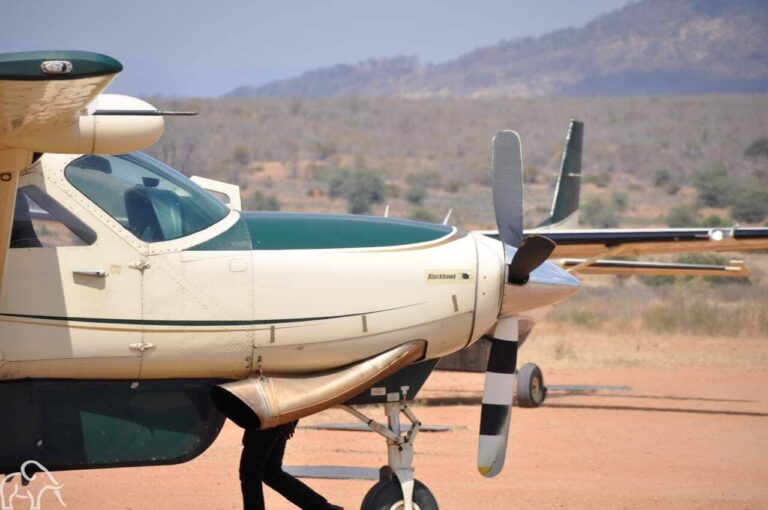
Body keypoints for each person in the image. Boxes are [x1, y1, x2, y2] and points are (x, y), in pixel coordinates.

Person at [240, 420, 343, 510]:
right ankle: (321, 507)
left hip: (274, 412)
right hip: (276, 412)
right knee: (270, 471)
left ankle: (321, 507)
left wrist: (285, 417)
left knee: (251, 471)